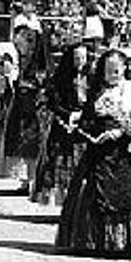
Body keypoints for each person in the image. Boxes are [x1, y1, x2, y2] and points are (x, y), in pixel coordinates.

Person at [55, 49, 131, 256]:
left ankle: (130, 242)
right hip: (99, 151)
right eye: (108, 71)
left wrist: (121, 132)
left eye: (116, 70)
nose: (112, 75)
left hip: (126, 150)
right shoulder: (97, 91)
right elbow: (87, 120)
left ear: (124, 69)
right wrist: (93, 133)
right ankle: (95, 240)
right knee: (92, 190)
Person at [30, 42, 90, 205]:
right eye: (77, 58)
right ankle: (61, 198)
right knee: (60, 159)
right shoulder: (60, 78)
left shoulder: (91, 76)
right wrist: (68, 114)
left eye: (83, 57)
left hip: (84, 125)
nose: (80, 61)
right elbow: (53, 102)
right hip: (63, 123)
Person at [0, 25, 50, 192]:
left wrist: (29, 87)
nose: (19, 47)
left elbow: (43, 85)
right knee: (21, 141)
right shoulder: (21, 61)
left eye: (22, 43)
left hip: (34, 109)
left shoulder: (40, 66)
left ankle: (34, 180)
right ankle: (26, 179)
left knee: (33, 142)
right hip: (21, 106)